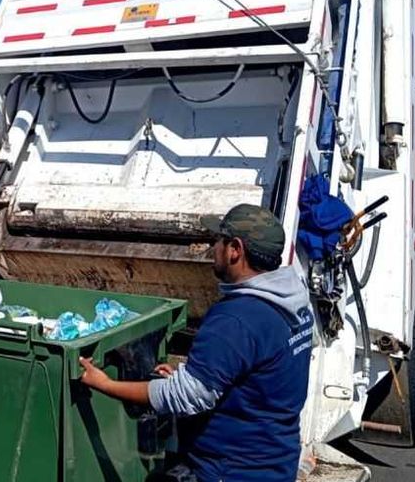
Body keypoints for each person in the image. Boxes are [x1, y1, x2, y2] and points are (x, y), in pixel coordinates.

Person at [79, 204, 314, 482]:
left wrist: (104, 383)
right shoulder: (295, 303)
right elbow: (261, 374)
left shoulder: (236, 318)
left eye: (218, 240)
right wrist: (193, 376)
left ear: (234, 249)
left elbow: (185, 397)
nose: (213, 247)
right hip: (276, 463)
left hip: (232, 471)